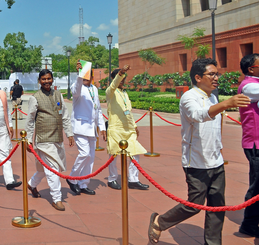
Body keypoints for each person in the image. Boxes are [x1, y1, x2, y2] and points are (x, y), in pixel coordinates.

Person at [148, 58, 250, 245]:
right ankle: (159, 221)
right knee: (194, 205)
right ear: (197, 77)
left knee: (217, 207)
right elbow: (198, 115)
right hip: (196, 161)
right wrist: (226, 104)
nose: (216, 77)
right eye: (211, 74)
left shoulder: (212, 96)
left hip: (216, 160)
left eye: (216, 74)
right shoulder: (189, 97)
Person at [26, 69, 73, 211]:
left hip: (57, 138)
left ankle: (32, 184)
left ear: (52, 79)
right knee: (52, 169)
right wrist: (29, 139)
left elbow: (64, 115)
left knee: (44, 169)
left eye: (49, 79)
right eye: (43, 79)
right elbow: (29, 120)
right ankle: (56, 198)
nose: (47, 81)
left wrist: (69, 134)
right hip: (44, 140)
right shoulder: (35, 98)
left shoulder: (58, 95)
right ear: (39, 81)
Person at [105, 65, 149, 191]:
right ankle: (112, 179)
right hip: (116, 129)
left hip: (128, 130)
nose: (123, 80)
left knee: (135, 153)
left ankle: (133, 180)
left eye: (124, 78)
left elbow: (128, 111)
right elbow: (114, 85)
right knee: (113, 154)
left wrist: (134, 126)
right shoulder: (110, 92)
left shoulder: (125, 93)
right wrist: (121, 73)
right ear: (114, 78)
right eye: (120, 78)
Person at [66, 60, 106, 196]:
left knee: (91, 157)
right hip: (80, 126)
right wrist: (79, 75)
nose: (88, 77)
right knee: (84, 154)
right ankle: (72, 178)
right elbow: (75, 91)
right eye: (86, 75)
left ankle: (83, 183)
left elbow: (98, 110)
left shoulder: (94, 89)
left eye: (90, 74)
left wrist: (102, 126)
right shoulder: (77, 87)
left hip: (92, 128)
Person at [238, 53, 259, 237]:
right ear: (251, 69)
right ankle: (249, 224)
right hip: (255, 143)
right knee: (257, 185)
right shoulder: (250, 86)